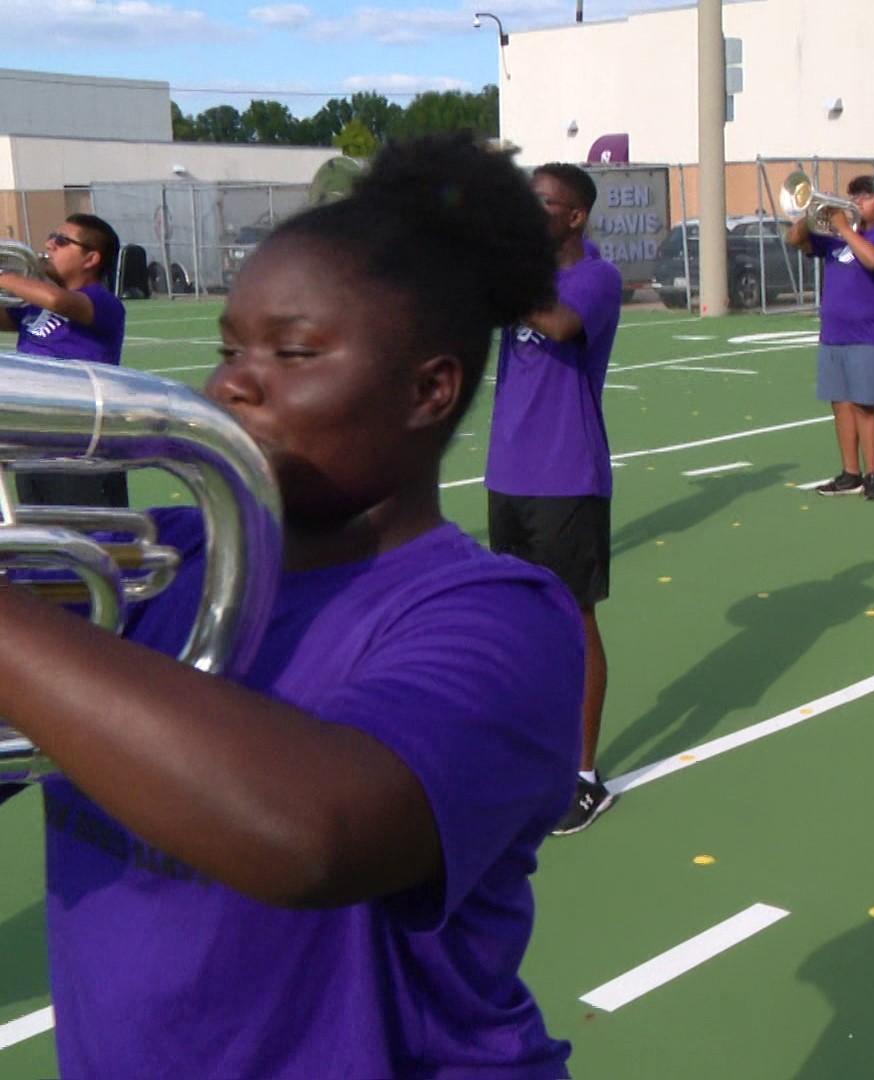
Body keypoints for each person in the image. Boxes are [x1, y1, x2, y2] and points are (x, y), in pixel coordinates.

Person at [0, 134, 581, 1076]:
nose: (233, 382)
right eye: (231, 347)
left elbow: (310, 837)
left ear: (428, 390)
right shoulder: (155, 555)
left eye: (293, 352)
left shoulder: (499, 618)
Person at [486, 162, 624, 834]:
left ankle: (584, 774)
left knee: (575, 621)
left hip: (567, 475)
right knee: (517, 622)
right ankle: (530, 754)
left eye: (543, 202)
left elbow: (561, 325)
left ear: (574, 217)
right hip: (507, 473)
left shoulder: (594, 277)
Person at [0, 213, 129, 508]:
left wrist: (4, 277)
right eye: (51, 237)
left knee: (94, 541)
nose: (49, 245)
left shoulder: (102, 301)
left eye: (61, 240)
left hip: (80, 447)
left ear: (90, 259)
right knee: (45, 541)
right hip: (34, 443)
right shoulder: (34, 304)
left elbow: (58, 302)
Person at [786, 174, 874, 500]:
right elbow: (795, 239)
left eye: (866, 196)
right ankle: (851, 473)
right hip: (833, 332)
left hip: (867, 333)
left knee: (865, 404)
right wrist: (812, 209)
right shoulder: (832, 237)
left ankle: (872, 473)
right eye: (855, 195)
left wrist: (846, 228)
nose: (858, 201)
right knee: (841, 404)